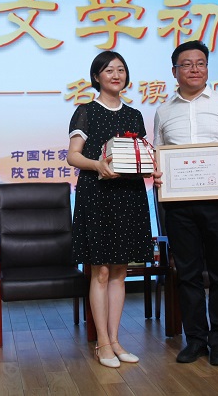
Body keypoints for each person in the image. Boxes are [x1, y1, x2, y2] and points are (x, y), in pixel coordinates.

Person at [153, 40, 218, 367]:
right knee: (188, 275)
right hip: (179, 207)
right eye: (186, 64)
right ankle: (196, 340)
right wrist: (157, 173)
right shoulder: (163, 111)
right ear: (175, 71)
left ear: (207, 68)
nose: (194, 69)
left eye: (200, 63)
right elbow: (158, 155)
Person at [68, 51, 154, 368]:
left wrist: (153, 168)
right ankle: (102, 343)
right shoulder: (85, 111)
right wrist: (97, 165)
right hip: (97, 193)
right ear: (96, 77)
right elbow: (73, 156)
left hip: (129, 195)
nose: (116, 75)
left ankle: (116, 340)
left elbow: (140, 155)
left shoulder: (134, 115)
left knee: (120, 270)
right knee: (101, 271)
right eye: (108, 70)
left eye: (121, 70)